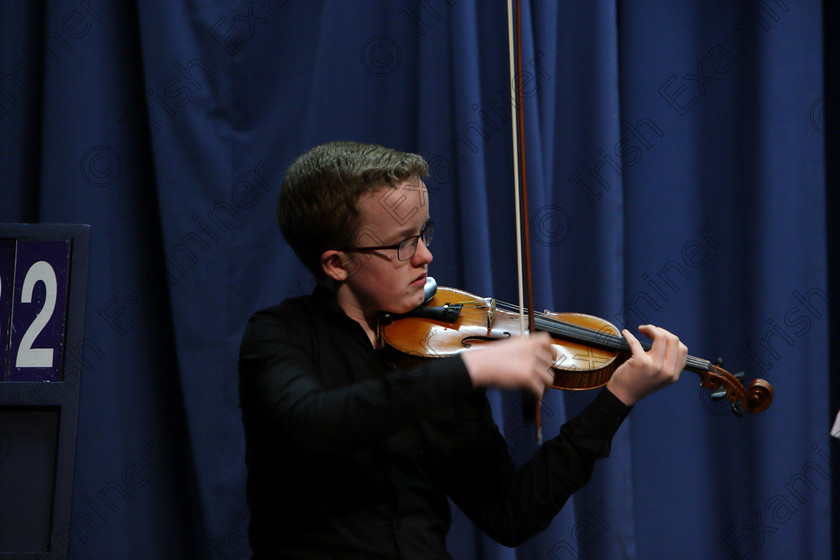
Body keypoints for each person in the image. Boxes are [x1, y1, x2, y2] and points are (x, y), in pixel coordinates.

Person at [238, 140, 688, 559]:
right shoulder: (279, 336)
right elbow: (313, 423)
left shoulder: (440, 349)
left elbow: (511, 515)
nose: (425, 256)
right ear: (337, 264)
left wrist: (616, 400)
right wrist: (471, 370)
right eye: (402, 244)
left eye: (424, 233)